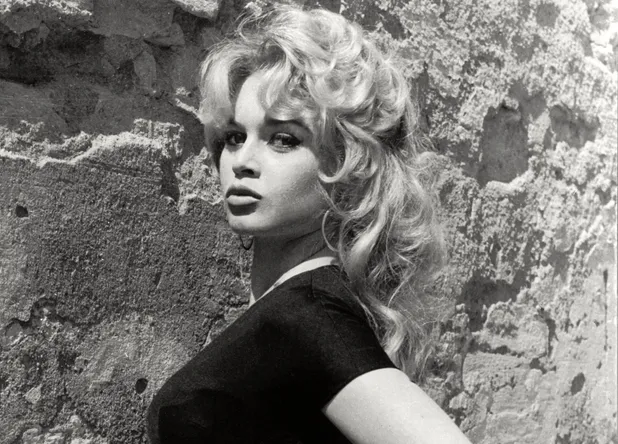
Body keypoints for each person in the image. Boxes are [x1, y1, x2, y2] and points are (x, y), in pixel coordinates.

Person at [147, 5, 472, 444]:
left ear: (349, 164)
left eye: (283, 139)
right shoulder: (296, 310)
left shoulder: (309, 316)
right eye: (235, 137)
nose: (242, 161)